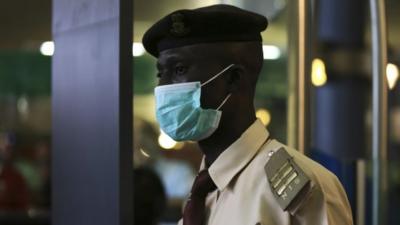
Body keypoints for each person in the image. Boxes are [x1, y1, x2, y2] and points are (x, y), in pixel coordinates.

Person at [142, 4, 353, 225]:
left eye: (179, 70)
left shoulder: (304, 193)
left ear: (233, 79)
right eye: (160, 73)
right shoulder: (201, 196)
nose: (163, 87)